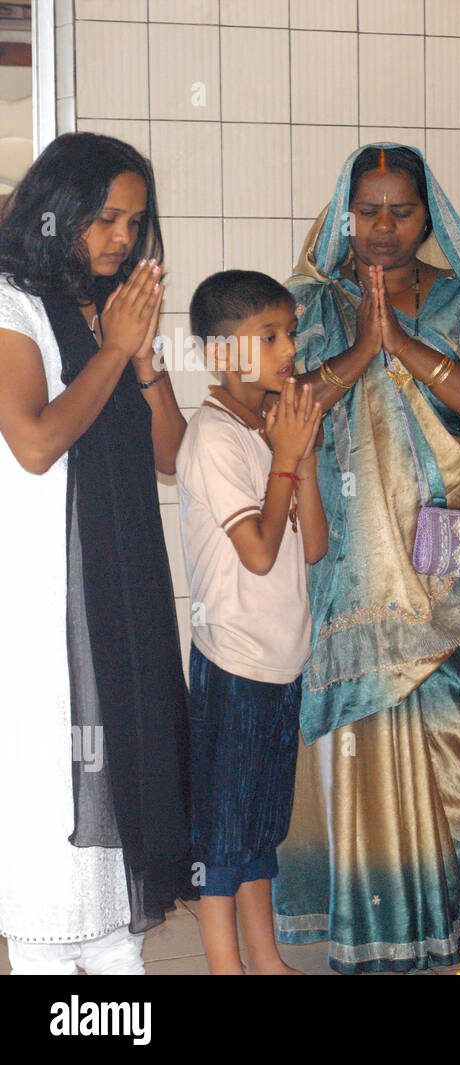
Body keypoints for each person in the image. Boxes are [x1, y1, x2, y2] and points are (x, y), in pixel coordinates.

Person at [272, 144, 460, 973]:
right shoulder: (308, 302)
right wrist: (364, 346)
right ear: (346, 211)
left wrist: (407, 347)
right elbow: (288, 403)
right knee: (356, 739)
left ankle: (454, 906)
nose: (383, 228)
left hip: (441, 568)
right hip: (346, 562)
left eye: (401, 211)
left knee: (453, 727)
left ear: (429, 216)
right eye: (368, 210)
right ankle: (371, 922)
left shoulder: (458, 301)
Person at [0, 133, 193, 973]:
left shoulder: (111, 314)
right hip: (46, 610)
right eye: (104, 217)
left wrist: (143, 362)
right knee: (54, 831)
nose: (120, 237)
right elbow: (35, 443)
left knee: (121, 864)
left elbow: (171, 454)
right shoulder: (12, 308)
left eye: (135, 221)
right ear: (58, 211)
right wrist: (113, 348)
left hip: (121, 592)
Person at [178, 271, 327, 974]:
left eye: (290, 332)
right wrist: (285, 459)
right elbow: (260, 553)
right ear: (218, 352)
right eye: (268, 336)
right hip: (234, 660)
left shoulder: (271, 431)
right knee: (223, 830)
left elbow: (315, 544)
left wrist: (306, 459)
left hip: (281, 659)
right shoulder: (213, 435)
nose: (288, 348)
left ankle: (267, 960)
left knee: (263, 825)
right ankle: (223, 966)